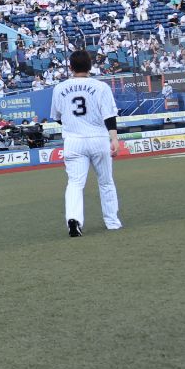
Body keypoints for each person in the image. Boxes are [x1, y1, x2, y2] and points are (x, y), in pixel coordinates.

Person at [49, 49, 121, 237]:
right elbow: (109, 115)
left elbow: (57, 117)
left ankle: (74, 219)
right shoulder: (100, 87)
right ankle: (112, 222)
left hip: (73, 141)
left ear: (70, 67)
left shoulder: (59, 88)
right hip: (98, 138)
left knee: (74, 183)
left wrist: (74, 124)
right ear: (90, 66)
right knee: (106, 182)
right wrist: (114, 138)